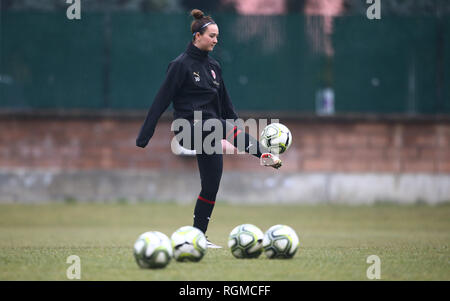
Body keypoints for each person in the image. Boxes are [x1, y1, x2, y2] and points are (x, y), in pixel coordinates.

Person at [136, 9, 282, 248]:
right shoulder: (179, 65)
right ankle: (265, 154)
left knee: (211, 185)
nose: (216, 40)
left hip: (212, 133)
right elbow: (160, 100)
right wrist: (145, 135)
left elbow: (226, 104)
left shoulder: (215, 66)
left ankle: (198, 237)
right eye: (212, 35)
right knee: (218, 125)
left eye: (217, 36)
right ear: (197, 36)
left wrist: (237, 128)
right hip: (187, 129)